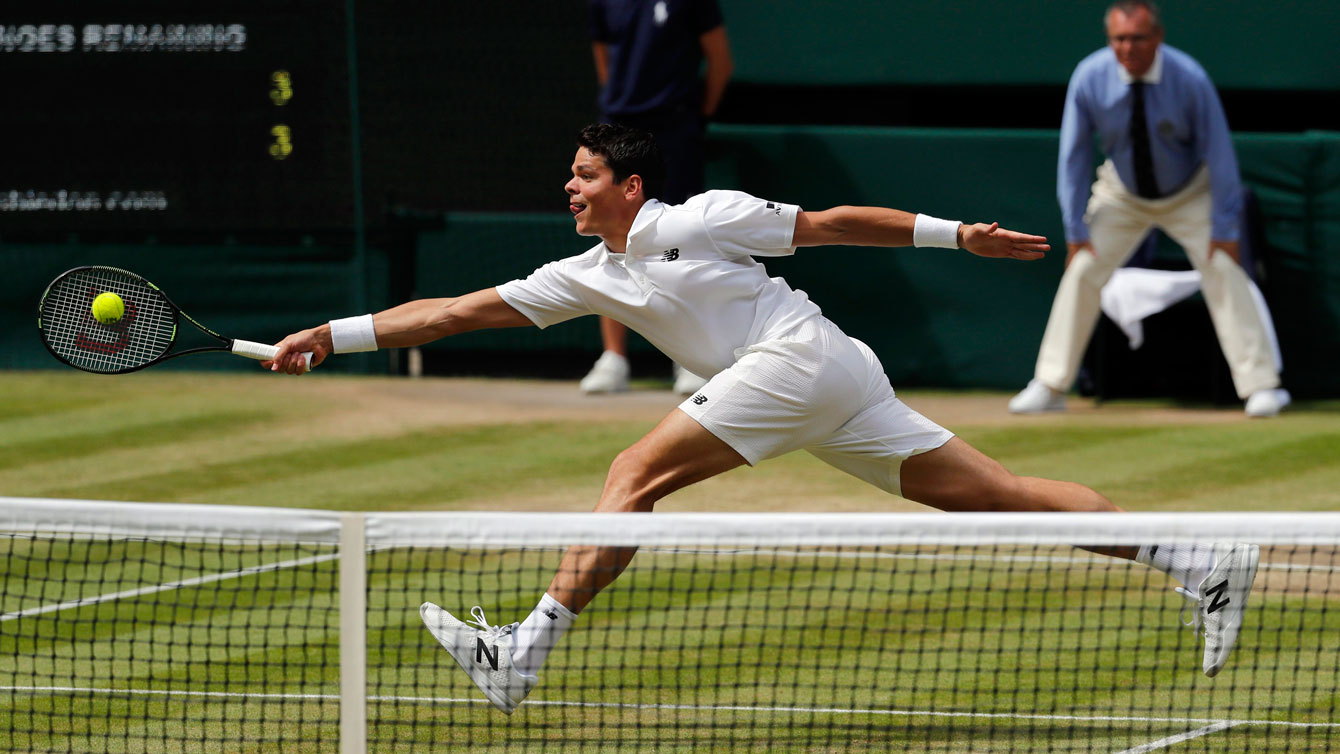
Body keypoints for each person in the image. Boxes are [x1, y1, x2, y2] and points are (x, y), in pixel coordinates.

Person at [267, 123, 1259, 714]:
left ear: (628, 184)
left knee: (631, 473)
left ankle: (520, 653)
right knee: (995, 498)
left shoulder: (698, 218)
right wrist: (328, 331)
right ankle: (1199, 560)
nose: (568, 188)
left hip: (794, 359)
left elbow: (828, 227)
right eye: (568, 178)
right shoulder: (580, 272)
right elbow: (450, 313)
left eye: (581, 175)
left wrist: (957, 237)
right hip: (826, 382)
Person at [1009, 0, 1290, 418]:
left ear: (1157, 38)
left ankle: (1261, 387)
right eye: (1119, 38)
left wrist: (1225, 227)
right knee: (1083, 269)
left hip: (1190, 191)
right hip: (1121, 192)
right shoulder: (1090, 76)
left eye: (1138, 38)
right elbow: (1074, 156)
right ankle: (1050, 385)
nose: (1128, 47)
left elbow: (1221, 155)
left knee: (1224, 268)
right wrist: (1075, 232)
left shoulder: (1189, 77)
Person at [579, 0, 733, 395]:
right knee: (612, 235)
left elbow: (720, 61)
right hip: (617, 125)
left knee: (682, 238)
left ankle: (690, 357)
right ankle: (614, 358)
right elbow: (604, 63)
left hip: (675, 129)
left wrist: (696, 121)